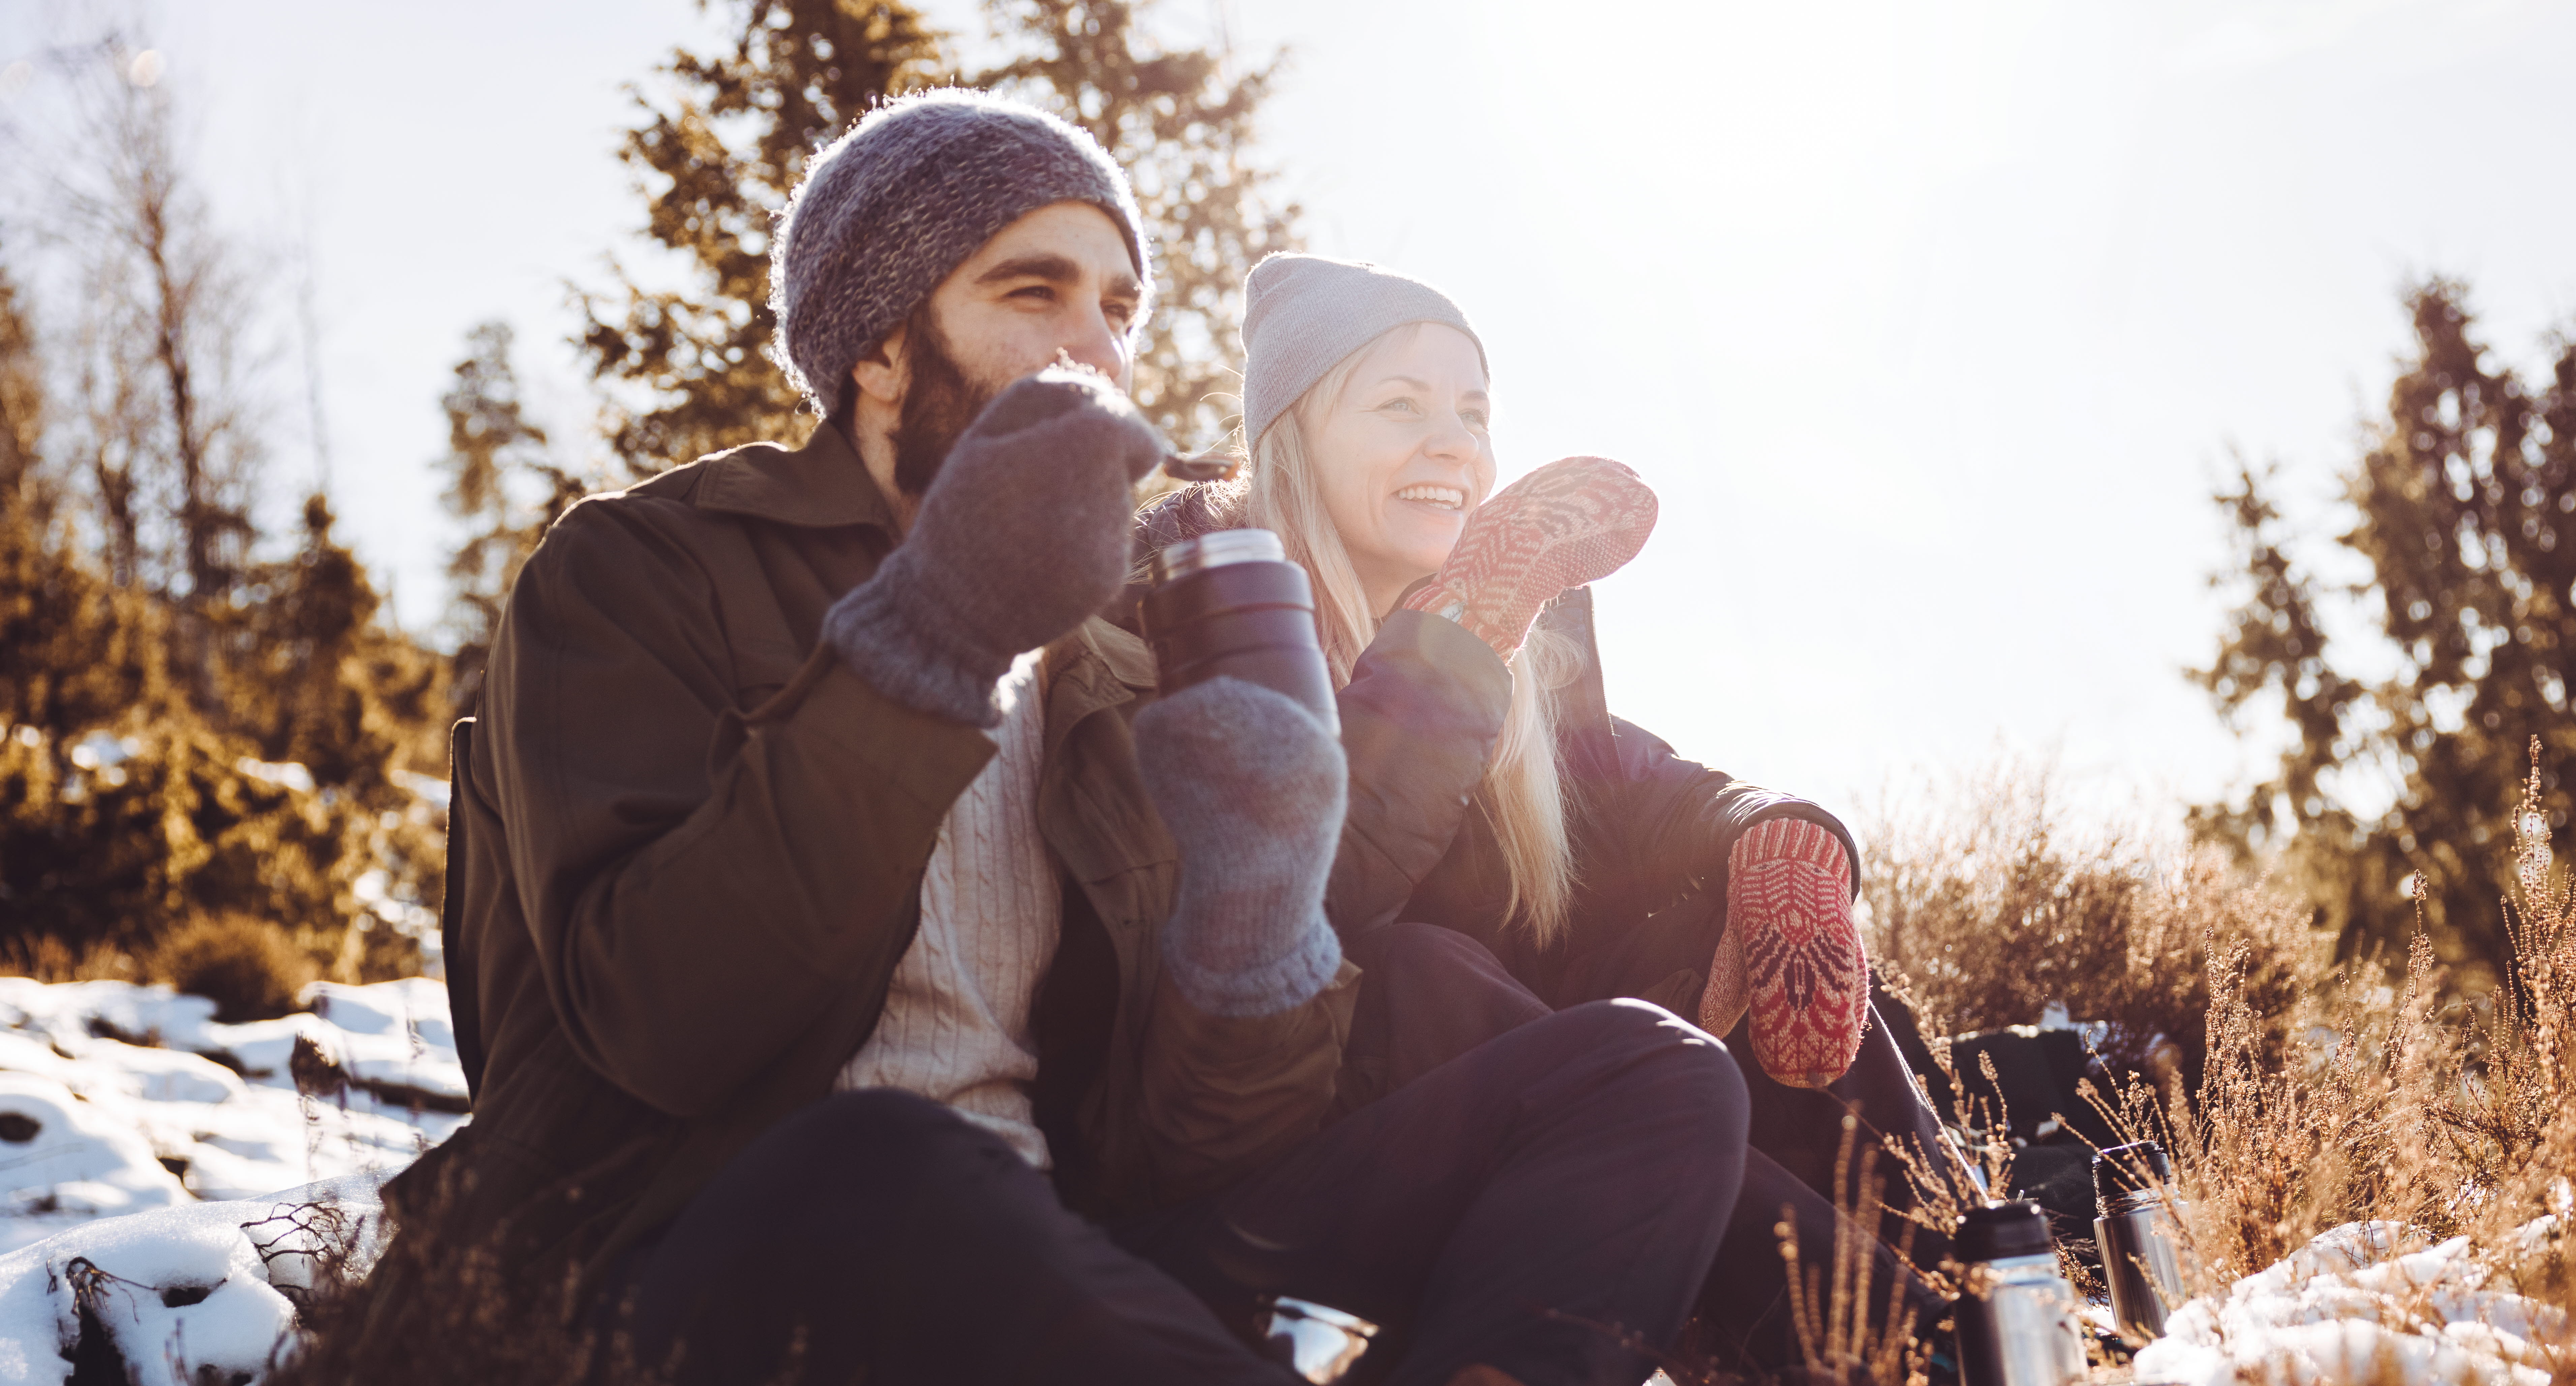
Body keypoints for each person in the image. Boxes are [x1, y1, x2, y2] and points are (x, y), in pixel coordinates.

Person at [352, 94, 1753, 1386]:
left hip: (1064, 1256)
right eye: (1033, 291)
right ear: (880, 344)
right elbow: (666, 1028)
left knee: (1648, 1075)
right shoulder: (641, 569)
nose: (1095, 345)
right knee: (896, 1161)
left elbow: (1192, 1148)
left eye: (1119, 306)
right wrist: (935, 633)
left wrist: (1251, 909)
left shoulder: (1099, 653)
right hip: (702, 1260)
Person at [1134, 254, 1966, 1370]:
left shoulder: (1514, 631)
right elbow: (1304, 912)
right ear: (1291, 433)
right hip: (1283, 1157)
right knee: (1425, 973)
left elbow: (1624, 784)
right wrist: (1460, 638)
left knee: (1746, 930)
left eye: (1473, 412)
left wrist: (1774, 833)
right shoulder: (1199, 612)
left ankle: (1986, 1279)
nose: (1455, 444)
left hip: (1532, 1106)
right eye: (1400, 405)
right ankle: (1920, 1351)